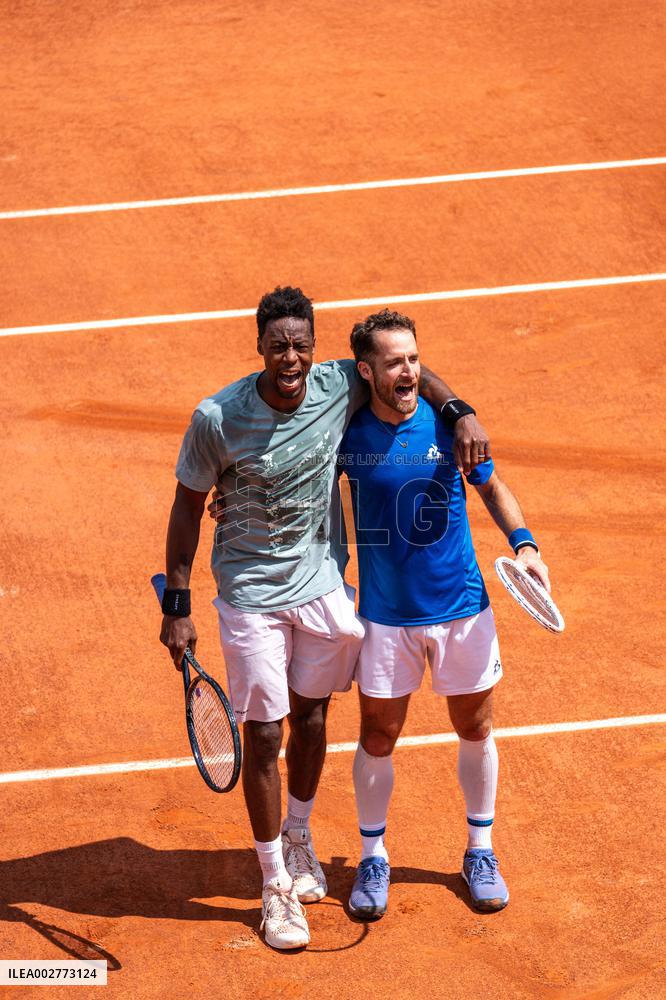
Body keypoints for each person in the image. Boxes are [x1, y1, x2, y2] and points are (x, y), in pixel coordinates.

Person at [161, 286, 490, 950]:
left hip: (320, 583)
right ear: (260, 346)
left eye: (301, 345)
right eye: (278, 345)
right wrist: (177, 603)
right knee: (262, 735)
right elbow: (187, 506)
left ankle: (300, 832)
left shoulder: (338, 383)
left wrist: (458, 410)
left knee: (312, 716)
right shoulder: (216, 418)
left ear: (316, 349)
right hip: (249, 590)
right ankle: (275, 884)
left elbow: (412, 374)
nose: (291, 357)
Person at [336, 308, 550, 920]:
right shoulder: (348, 435)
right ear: (366, 371)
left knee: (475, 727)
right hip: (384, 616)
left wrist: (526, 545)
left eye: (413, 359)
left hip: (462, 609)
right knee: (378, 735)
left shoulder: (447, 425)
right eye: (393, 362)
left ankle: (480, 849)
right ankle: (373, 856)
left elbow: (493, 488)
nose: (407, 371)